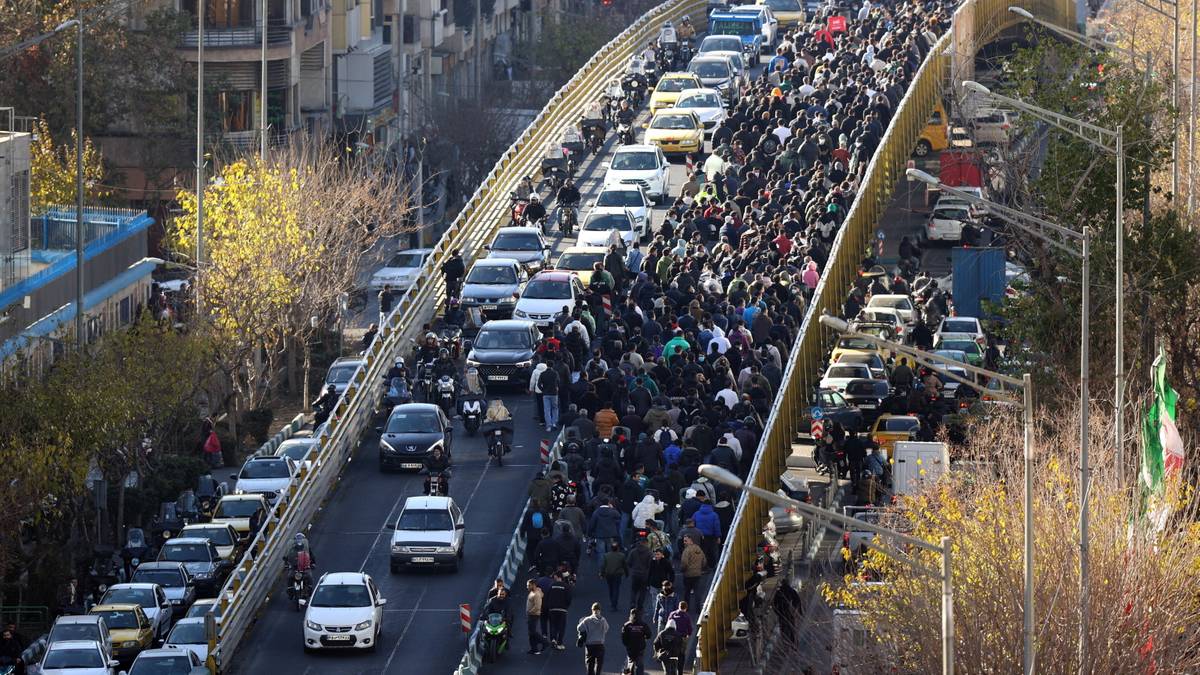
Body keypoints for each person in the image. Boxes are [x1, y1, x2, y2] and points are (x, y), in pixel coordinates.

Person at [577, 603, 610, 675]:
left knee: (590, 664)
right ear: (600, 610)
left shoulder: (587, 620)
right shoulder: (603, 620)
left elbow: (579, 628)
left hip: (590, 645)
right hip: (600, 644)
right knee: (599, 663)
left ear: (592, 610)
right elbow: (607, 629)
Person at [545, 571, 572, 650]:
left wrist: (549, 606)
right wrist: (566, 606)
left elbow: (547, 596)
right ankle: (559, 643)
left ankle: (553, 639)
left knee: (553, 624)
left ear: (557, 576)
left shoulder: (551, 585)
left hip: (552, 609)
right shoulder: (566, 586)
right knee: (561, 627)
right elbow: (569, 598)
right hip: (562, 609)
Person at [621, 609, 651, 675]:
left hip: (630, 648)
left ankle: (630, 673)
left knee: (630, 663)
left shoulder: (627, 625)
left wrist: (627, 644)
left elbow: (623, 637)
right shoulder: (643, 625)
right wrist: (644, 638)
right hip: (640, 648)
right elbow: (649, 635)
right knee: (639, 665)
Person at [600, 540, 628, 611]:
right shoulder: (622, 556)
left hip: (609, 574)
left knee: (611, 588)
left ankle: (612, 601)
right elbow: (625, 566)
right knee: (616, 589)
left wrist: (602, 574)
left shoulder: (606, 555)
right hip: (617, 575)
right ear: (618, 548)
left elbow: (603, 566)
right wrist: (627, 573)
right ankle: (614, 604)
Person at [679, 535, 706, 607]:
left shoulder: (686, 550)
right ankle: (698, 608)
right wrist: (700, 568)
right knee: (697, 592)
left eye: (685, 541)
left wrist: (682, 570)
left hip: (688, 574)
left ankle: (686, 607)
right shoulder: (698, 549)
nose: (684, 542)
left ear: (691, 540)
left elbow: (684, 563)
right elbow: (704, 561)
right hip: (697, 574)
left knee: (686, 592)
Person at [526, 579, 549, 655]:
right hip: (531, 615)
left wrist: (530, 612)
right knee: (531, 633)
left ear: (534, 585)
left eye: (529, 585)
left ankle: (545, 642)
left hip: (533, 615)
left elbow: (537, 607)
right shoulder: (534, 592)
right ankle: (534, 649)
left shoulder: (536, 594)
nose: (527, 587)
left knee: (532, 632)